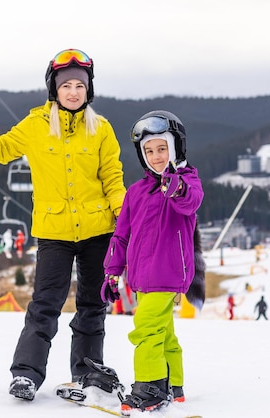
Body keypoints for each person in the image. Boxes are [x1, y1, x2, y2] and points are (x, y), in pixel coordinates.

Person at [0, 48, 126, 401]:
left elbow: (113, 179)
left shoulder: (101, 129)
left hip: (98, 232)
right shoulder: (35, 126)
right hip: (54, 233)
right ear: (54, 89)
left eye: (80, 85)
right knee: (45, 305)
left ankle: (88, 373)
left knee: (92, 305)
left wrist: (124, 223)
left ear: (88, 90)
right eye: (66, 85)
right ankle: (26, 375)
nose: (73, 91)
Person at [101, 110, 204, 414]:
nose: (156, 156)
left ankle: (150, 388)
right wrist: (111, 273)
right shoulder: (135, 191)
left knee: (145, 327)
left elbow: (190, 201)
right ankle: (174, 386)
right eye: (149, 151)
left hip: (169, 273)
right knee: (163, 332)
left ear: (175, 148)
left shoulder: (187, 180)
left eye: (162, 148)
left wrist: (175, 186)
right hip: (142, 278)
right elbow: (120, 236)